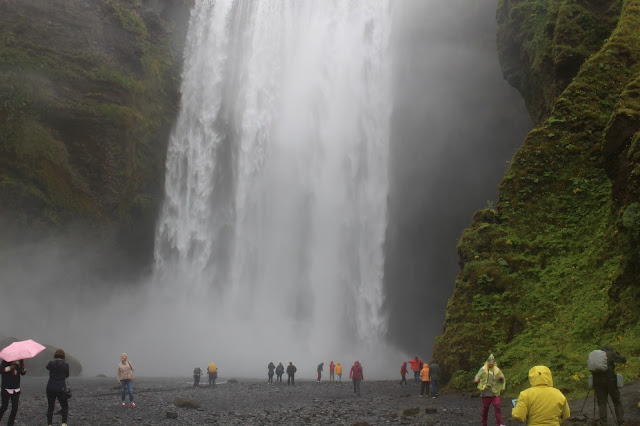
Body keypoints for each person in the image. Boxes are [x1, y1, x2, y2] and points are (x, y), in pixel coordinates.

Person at [593, 344, 626, 425]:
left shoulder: (597, 356)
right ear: (610, 349)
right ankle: (621, 422)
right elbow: (623, 360)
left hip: (598, 383)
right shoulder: (611, 354)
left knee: (602, 404)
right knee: (617, 402)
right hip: (610, 382)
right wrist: (617, 353)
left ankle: (603, 423)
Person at [474, 354, 505, 426]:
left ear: (494, 363)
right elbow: (477, 376)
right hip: (485, 392)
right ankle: (484, 423)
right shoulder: (483, 369)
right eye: (489, 364)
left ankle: (500, 424)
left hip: (495, 392)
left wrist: (501, 379)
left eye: (492, 364)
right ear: (487, 362)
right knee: (485, 408)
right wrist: (476, 379)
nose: (490, 365)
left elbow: (502, 379)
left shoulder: (497, 370)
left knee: (497, 406)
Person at [46, 349, 69, 426]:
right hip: (61, 388)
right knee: (64, 406)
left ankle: (49, 424)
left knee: (51, 406)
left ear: (55, 356)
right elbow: (67, 375)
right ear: (63, 356)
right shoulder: (66, 365)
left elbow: (47, 367)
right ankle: (64, 423)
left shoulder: (51, 363)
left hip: (50, 387)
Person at [0, 359, 25, 426]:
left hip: (16, 388)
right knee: (4, 407)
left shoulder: (20, 361)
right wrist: (10, 367)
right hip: (6, 388)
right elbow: (1, 370)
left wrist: (23, 368)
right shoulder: (5, 361)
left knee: (15, 407)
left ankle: (10, 423)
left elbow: (23, 373)